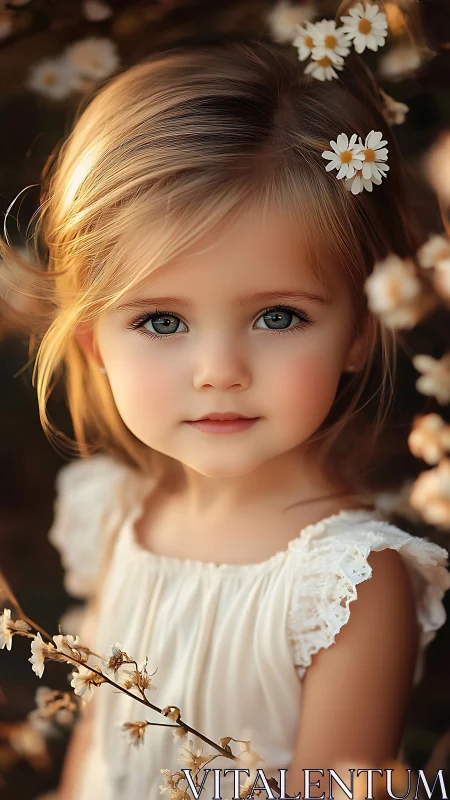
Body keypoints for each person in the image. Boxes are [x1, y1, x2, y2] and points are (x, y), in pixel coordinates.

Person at [2, 32, 450, 800]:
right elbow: (96, 755)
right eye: (162, 322)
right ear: (94, 342)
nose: (219, 373)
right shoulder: (116, 513)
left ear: (361, 329)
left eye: (278, 317)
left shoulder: (348, 586)